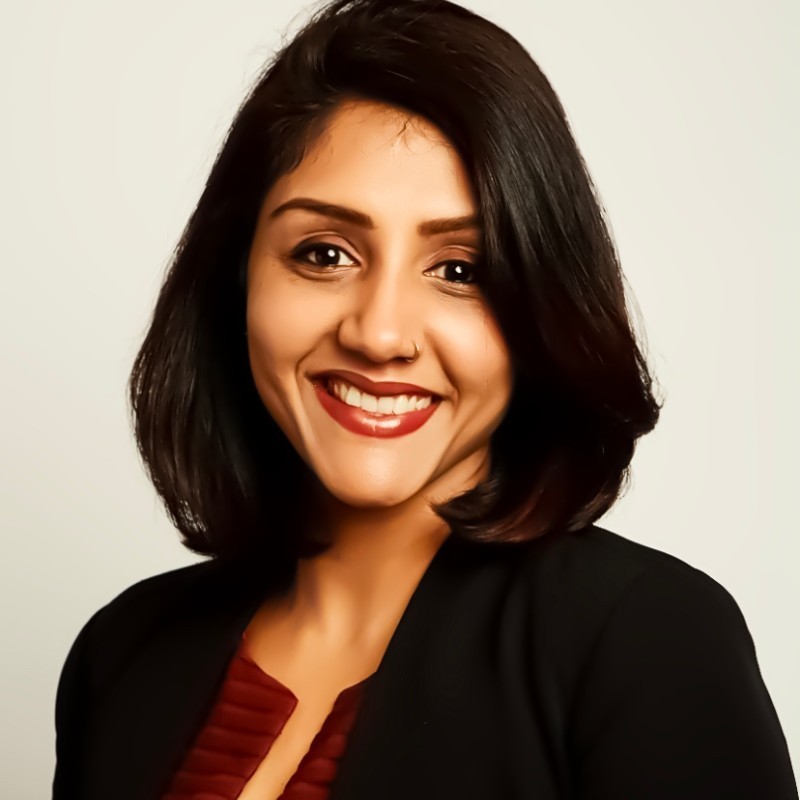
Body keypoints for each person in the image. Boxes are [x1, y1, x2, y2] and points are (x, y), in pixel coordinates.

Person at [52, 0, 798, 798]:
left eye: (460, 270)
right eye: (325, 253)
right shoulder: (123, 650)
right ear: (237, 280)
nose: (379, 334)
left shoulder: (649, 638)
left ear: (542, 307)